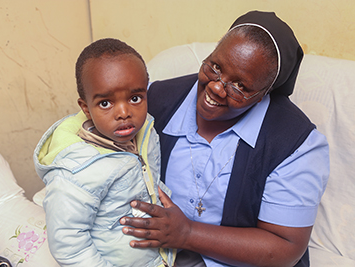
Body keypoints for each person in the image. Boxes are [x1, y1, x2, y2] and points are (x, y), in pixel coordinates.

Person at [120, 11, 329, 267]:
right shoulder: (157, 98)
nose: (217, 88)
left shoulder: (295, 143)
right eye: (215, 67)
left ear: (264, 94)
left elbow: (285, 248)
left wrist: (187, 233)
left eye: (240, 86)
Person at [34, 38, 175, 267]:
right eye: (106, 103)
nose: (123, 112)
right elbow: (68, 243)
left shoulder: (146, 131)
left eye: (135, 98)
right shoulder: (77, 168)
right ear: (85, 108)